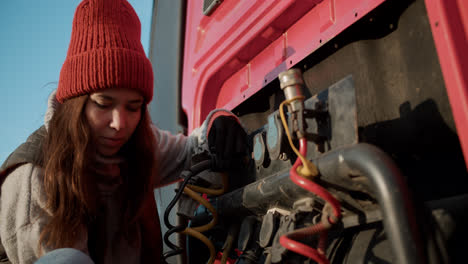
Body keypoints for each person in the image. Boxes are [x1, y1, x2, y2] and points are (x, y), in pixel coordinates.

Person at [0, 0, 248, 263]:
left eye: (133, 106)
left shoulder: (135, 143)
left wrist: (219, 122)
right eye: (104, 104)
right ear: (76, 105)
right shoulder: (33, 174)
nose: (119, 123)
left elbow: (192, 149)